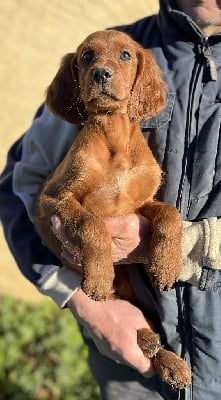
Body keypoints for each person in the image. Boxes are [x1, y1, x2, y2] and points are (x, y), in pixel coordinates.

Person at [1, 0, 221, 398]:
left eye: (119, 59)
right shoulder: (125, 44)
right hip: (124, 360)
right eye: (89, 61)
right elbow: (22, 187)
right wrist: (85, 303)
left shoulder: (140, 65)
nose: (102, 69)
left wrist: (191, 242)